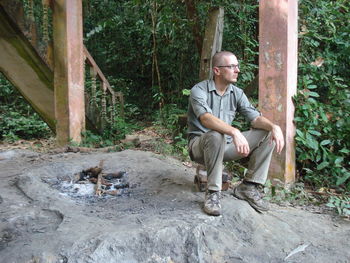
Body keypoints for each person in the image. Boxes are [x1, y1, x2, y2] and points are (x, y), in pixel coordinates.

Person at [187, 51, 285, 216]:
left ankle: (249, 186)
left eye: (237, 66)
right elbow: (206, 119)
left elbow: (255, 118)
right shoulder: (199, 90)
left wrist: (274, 127)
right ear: (217, 71)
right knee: (215, 135)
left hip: (224, 146)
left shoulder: (237, 93)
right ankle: (213, 193)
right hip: (200, 147)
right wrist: (234, 131)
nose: (237, 70)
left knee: (267, 134)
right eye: (232, 66)